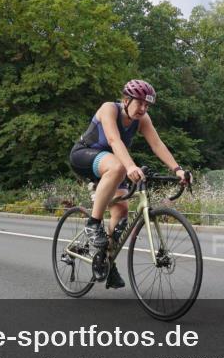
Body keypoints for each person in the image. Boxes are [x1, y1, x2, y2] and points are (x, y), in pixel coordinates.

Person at [69, 80, 190, 289]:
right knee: (118, 167)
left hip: (114, 164)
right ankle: (93, 224)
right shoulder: (109, 109)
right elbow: (114, 141)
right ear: (126, 100)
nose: (143, 109)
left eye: (147, 105)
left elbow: (157, 144)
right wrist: (131, 166)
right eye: (140, 103)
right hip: (85, 155)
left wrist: (178, 169)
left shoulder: (142, 119)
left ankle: (106, 259)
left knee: (121, 210)